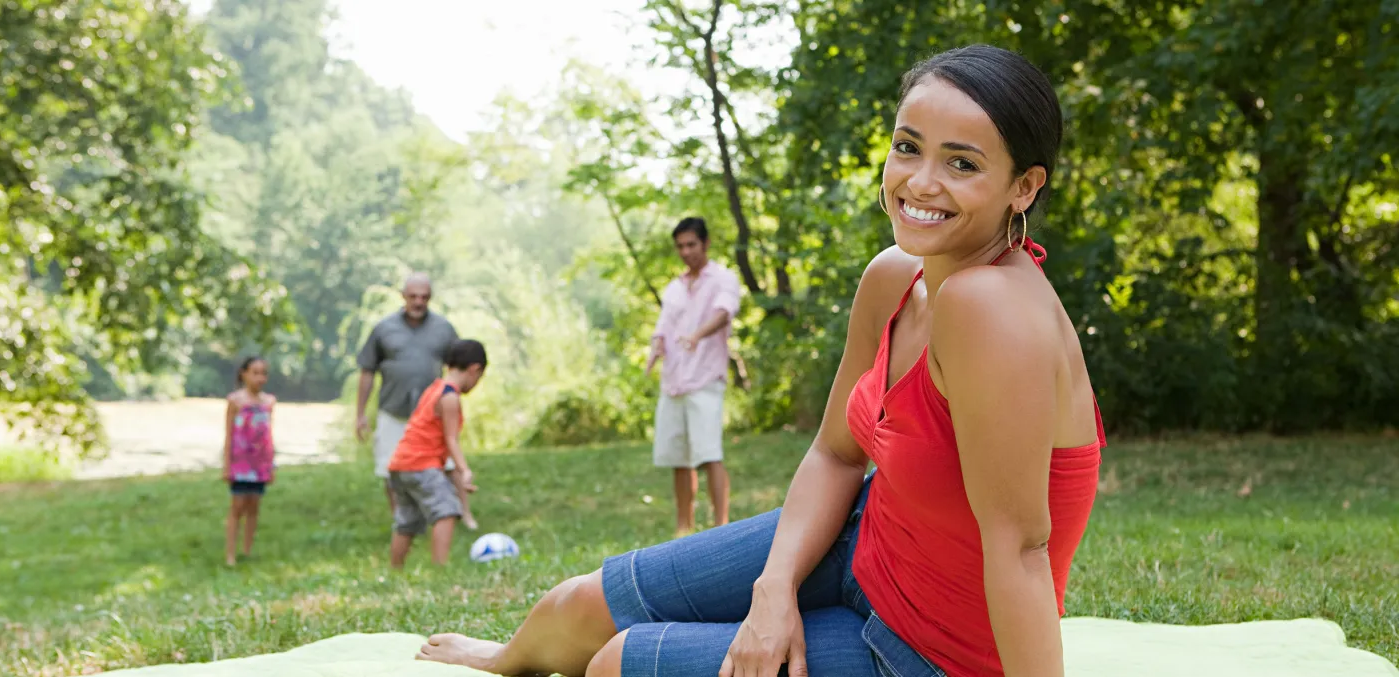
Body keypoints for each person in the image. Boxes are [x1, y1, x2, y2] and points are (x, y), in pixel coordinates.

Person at [415, 43, 1106, 677]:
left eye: (962, 163)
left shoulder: (993, 309)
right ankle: (509, 659)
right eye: (907, 148)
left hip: (933, 653)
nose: (920, 183)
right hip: (865, 543)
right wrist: (773, 590)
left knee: (617, 664)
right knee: (575, 608)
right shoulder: (896, 275)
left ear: (1023, 186)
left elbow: (1020, 548)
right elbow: (837, 454)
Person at [644, 216, 742, 535]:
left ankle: (720, 526)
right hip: (674, 381)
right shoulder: (674, 287)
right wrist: (656, 349)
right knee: (678, 457)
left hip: (704, 378)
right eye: (680, 246)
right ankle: (684, 527)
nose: (685, 251)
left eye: (691, 245)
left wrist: (698, 334)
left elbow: (723, 312)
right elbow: (663, 328)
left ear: (705, 243)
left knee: (709, 453)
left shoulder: (723, 278)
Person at [355, 273, 471, 527]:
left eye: (424, 297)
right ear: (403, 296)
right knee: (390, 469)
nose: (419, 302)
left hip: (432, 413)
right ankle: (402, 520)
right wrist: (360, 414)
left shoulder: (444, 328)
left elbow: (460, 367)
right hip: (393, 410)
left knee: (447, 464)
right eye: (413, 296)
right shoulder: (384, 328)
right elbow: (367, 371)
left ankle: (464, 514)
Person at [387, 339, 487, 569]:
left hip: (400, 463)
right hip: (422, 464)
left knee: (407, 521)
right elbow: (451, 439)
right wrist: (464, 470)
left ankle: (395, 570)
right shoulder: (450, 397)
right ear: (474, 369)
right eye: (479, 377)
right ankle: (440, 567)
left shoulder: (435, 388)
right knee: (447, 511)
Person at [222, 356, 277, 567]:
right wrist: (227, 464)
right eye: (255, 372)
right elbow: (228, 434)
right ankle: (230, 555)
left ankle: (247, 550)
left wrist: (271, 464)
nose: (260, 378)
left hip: (260, 462)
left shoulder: (269, 402)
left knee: (254, 505)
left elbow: (269, 434)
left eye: (263, 373)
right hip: (240, 461)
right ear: (244, 374)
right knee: (237, 505)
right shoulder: (235, 401)